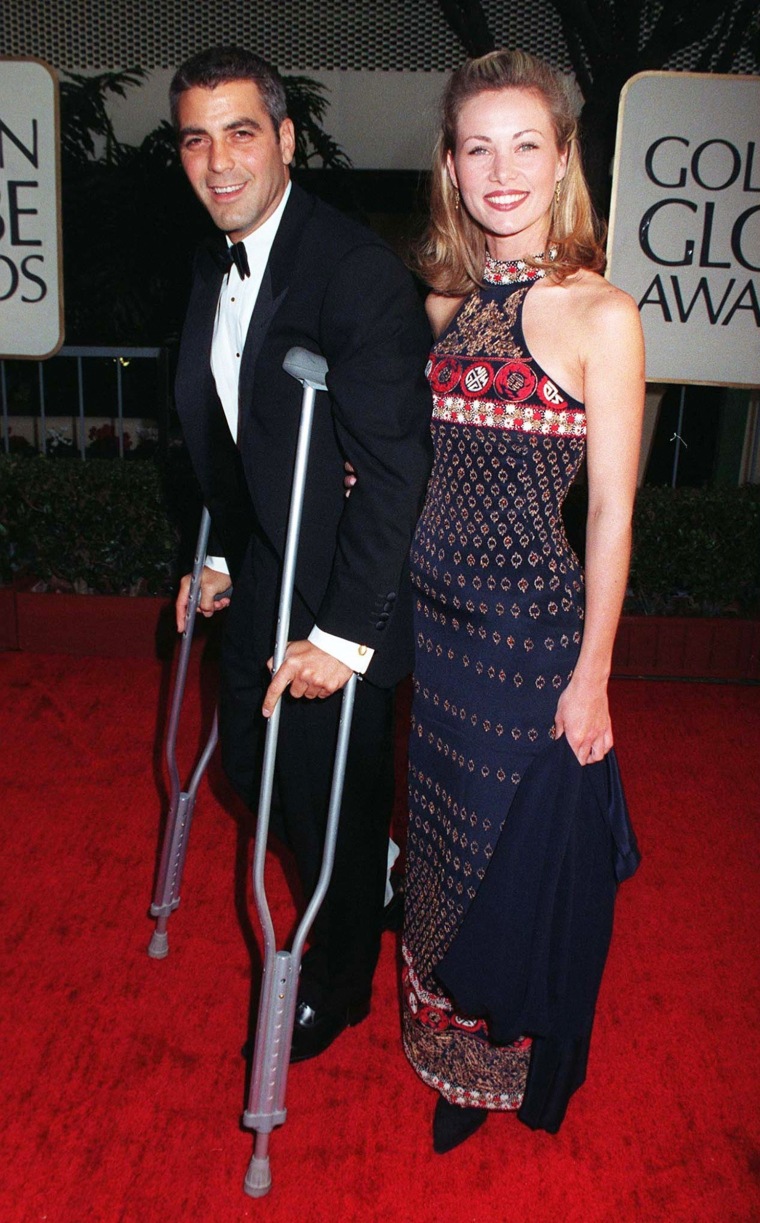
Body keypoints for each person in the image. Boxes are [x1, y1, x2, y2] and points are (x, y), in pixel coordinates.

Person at [400, 50, 645, 1153]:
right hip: (432, 633)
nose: (501, 171)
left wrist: (592, 673)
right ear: (451, 165)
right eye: (477, 147)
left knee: (510, 855)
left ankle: (493, 1069)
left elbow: (609, 515)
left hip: (527, 640)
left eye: (525, 145)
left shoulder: (602, 313)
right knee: (441, 844)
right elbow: (422, 462)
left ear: (561, 162)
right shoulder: (444, 298)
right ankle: (441, 1042)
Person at [170, 46, 432, 1062]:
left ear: (284, 139)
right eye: (197, 137)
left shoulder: (355, 273)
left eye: (241, 132)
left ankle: (339, 979)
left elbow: (395, 468)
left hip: (343, 597)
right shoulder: (207, 260)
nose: (218, 159)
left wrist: (339, 638)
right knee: (248, 763)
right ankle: (377, 867)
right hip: (266, 564)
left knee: (329, 794)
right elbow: (230, 427)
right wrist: (231, 556)